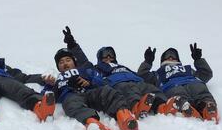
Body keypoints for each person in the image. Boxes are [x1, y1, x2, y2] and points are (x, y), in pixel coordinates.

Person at [61, 26, 191, 118]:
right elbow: (83, 61)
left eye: (111, 54)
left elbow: (142, 75)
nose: (108, 57)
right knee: (129, 90)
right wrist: (72, 45)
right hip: (117, 84)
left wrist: (147, 63)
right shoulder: (96, 68)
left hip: (137, 81)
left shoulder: (123, 67)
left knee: (152, 89)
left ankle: (162, 107)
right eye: (105, 55)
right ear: (100, 58)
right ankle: (136, 107)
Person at [45, 46, 138, 130]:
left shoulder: (84, 71)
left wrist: (89, 83)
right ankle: (93, 123)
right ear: (58, 67)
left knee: (107, 92)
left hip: (89, 92)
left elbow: (102, 82)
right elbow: (51, 96)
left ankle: (125, 117)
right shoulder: (57, 79)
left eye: (68, 60)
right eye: (61, 62)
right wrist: (50, 85)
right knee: (71, 104)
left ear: (74, 62)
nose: (65, 63)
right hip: (72, 96)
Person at [137, 45, 219, 122]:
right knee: (181, 97)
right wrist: (148, 62)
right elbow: (142, 76)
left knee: (200, 95)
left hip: (192, 83)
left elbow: (206, 74)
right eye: (167, 56)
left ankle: (205, 108)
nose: (171, 57)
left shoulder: (188, 69)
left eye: (174, 56)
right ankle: (195, 109)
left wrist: (198, 59)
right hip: (173, 87)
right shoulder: (158, 73)